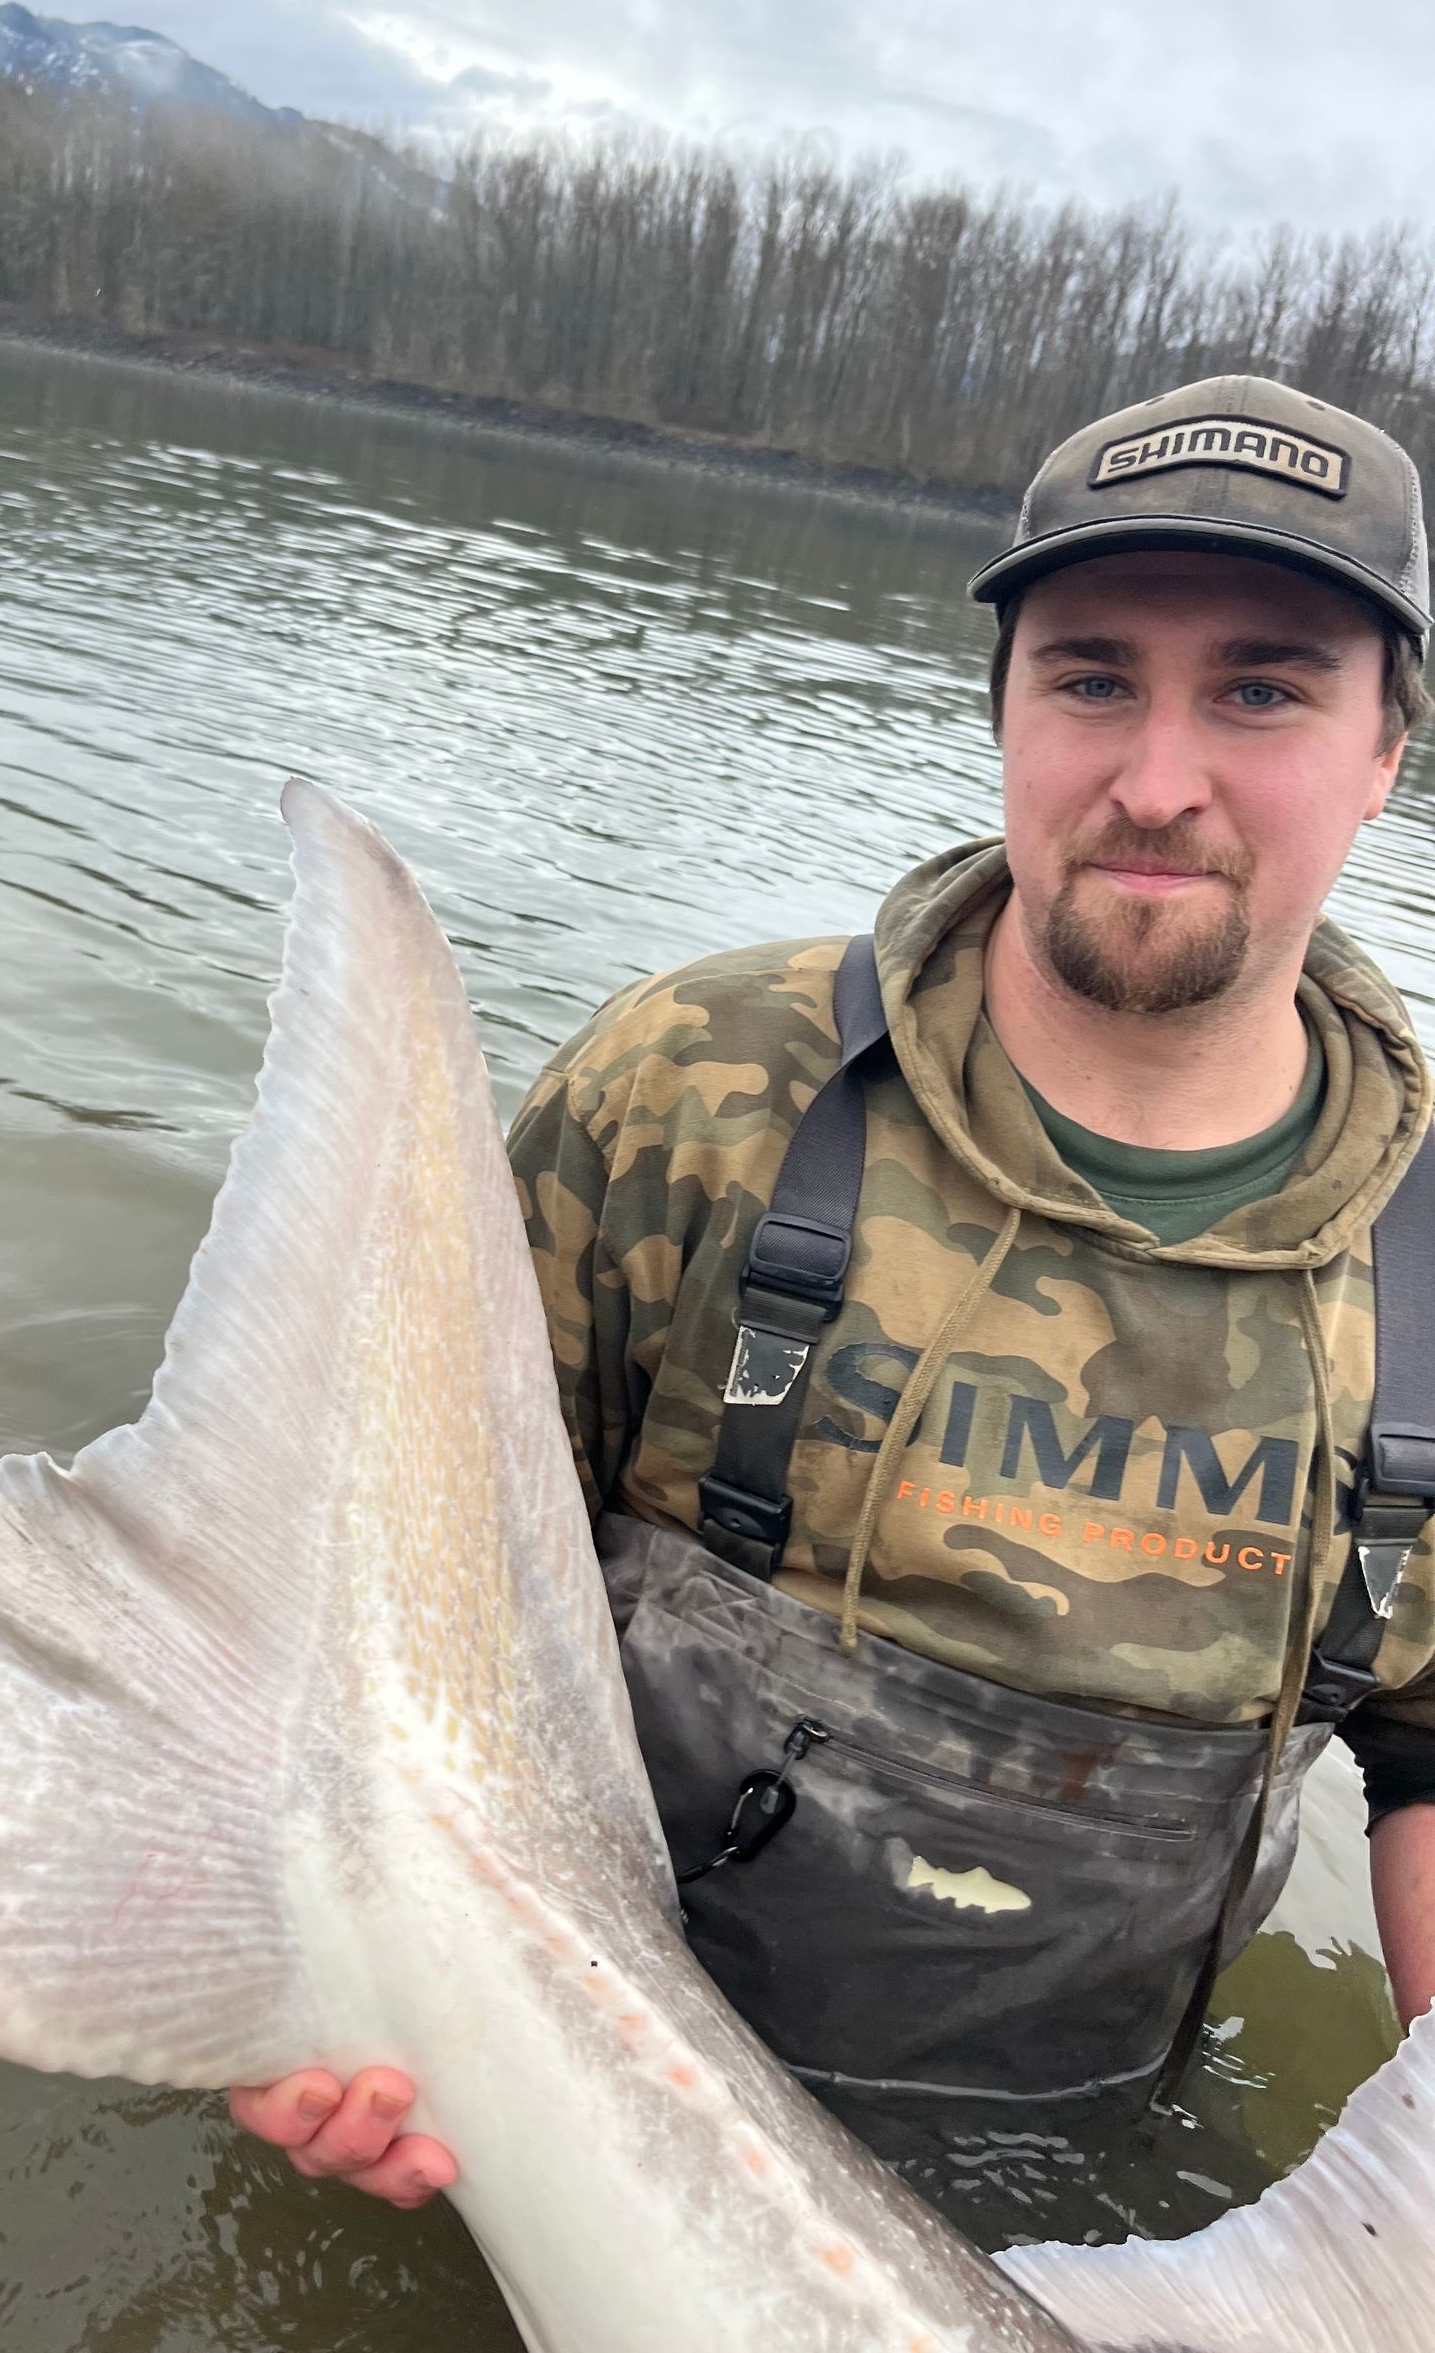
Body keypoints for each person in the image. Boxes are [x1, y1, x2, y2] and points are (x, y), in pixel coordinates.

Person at [232, 374, 1435, 2209]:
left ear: (1384, 755)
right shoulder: (692, 1090)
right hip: (531, 2090)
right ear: (1004, 710)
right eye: (1092, 675)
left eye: (1263, 688)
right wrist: (317, 1978)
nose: (1159, 776)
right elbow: (382, 1581)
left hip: (1069, 2169)